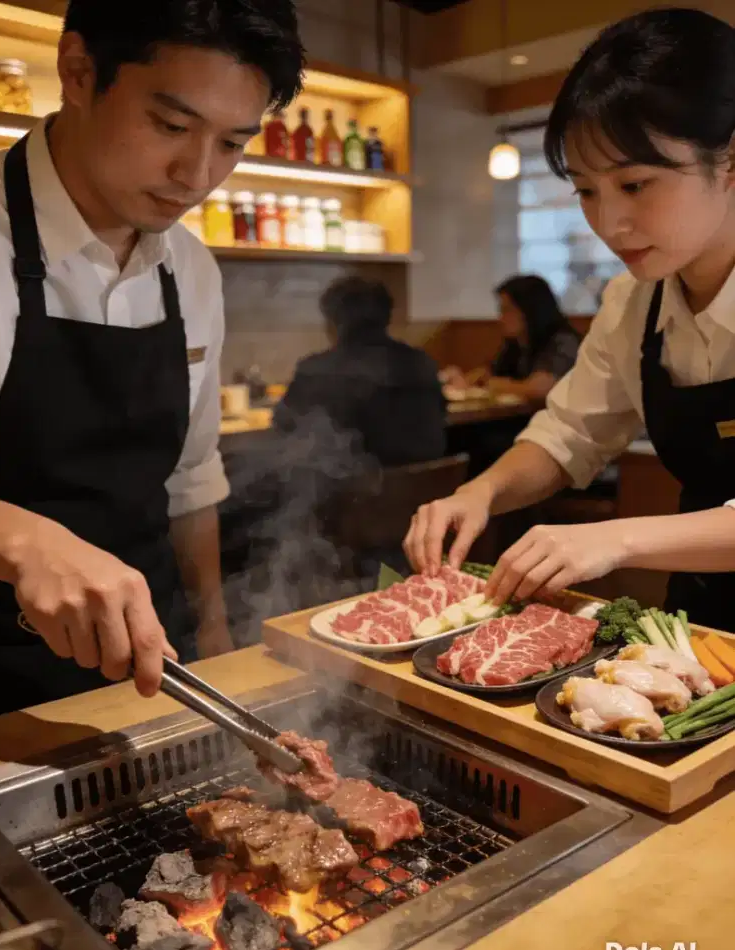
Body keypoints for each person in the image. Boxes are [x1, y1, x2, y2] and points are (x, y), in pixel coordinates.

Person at [0, 0, 305, 716]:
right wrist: (22, 540)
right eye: (171, 125)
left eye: (232, 144)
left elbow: (191, 479)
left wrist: (215, 628)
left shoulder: (189, 267)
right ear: (77, 71)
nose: (197, 175)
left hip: (151, 668)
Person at [405, 7, 735, 633]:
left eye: (635, 184)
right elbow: (570, 435)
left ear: (729, 160)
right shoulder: (634, 302)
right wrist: (481, 492)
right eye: (586, 190)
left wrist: (614, 540)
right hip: (709, 619)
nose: (608, 224)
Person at [273, 276, 447, 467]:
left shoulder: (316, 370)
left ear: (333, 322)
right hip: (426, 488)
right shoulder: (420, 362)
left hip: (355, 492)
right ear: (387, 318)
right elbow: (440, 413)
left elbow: (283, 424)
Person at [441, 274, 580, 405]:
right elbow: (489, 373)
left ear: (531, 311)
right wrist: (464, 380)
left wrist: (498, 385)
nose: (501, 319)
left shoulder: (563, 341)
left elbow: (540, 388)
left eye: (507, 310)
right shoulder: (517, 343)